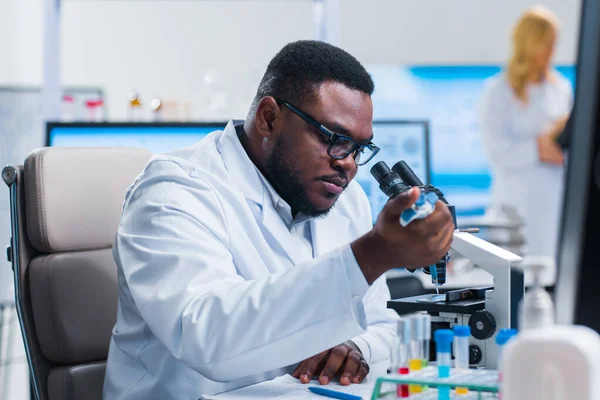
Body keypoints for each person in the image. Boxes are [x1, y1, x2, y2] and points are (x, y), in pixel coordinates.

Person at [103, 40, 454, 399]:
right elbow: (205, 336)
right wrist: (371, 255)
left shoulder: (347, 202)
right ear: (269, 118)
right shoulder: (173, 191)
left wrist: (353, 348)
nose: (347, 163)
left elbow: (380, 324)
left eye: (359, 148)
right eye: (334, 138)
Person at [479, 5, 573, 258]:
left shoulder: (561, 89)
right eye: (547, 44)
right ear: (530, 44)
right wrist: (538, 148)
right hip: (516, 205)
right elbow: (496, 152)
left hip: (555, 203)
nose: (552, 52)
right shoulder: (498, 92)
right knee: (518, 277)